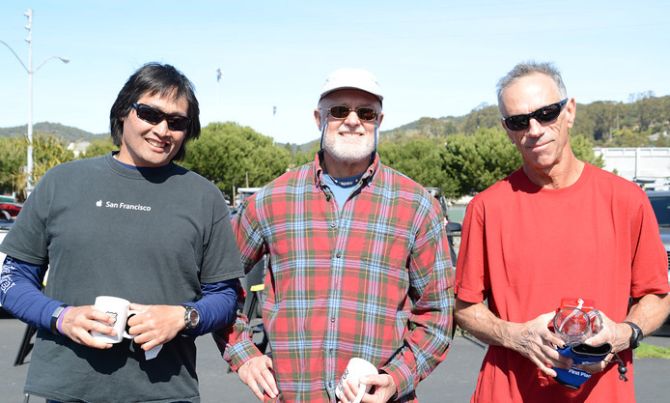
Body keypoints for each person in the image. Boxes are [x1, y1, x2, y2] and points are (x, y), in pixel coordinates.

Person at [0, 62, 244, 403]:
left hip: (166, 393)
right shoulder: (62, 182)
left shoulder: (204, 197)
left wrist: (183, 316)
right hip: (66, 390)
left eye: (177, 122)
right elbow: (11, 280)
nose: (162, 129)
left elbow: (226, 297)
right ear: (123, 112)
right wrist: (61, 317)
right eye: (149, 114)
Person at [217, 68, 454, 402]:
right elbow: (216, 279)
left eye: (366, 112)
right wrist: (242, 352)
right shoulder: (271, 200)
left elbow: (438, 314)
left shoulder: (416, 206)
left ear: (379, 121)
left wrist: (396, 378)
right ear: (319, 118)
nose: (353, 120)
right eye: (340, 111)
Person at [454, 61, 670, 402]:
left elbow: (657, 295)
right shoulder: (486, 208)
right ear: (507, 130)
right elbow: (465, 308)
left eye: (547, 113)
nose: (535, 129)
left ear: (569, 111)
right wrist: (515, 336)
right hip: (510, 392)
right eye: (519, 121)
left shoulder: (626, 199)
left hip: (603, 392)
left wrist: (622, 334)